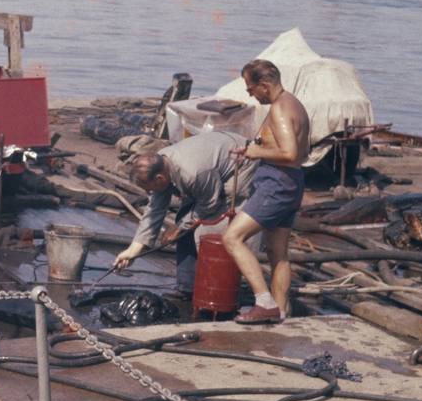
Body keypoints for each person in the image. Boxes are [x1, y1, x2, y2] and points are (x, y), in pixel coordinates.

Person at [113, 130, 254, 297]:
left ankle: (217, 292)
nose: (148, 192)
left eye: (149, 188)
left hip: (240, 162)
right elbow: (155, 208)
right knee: (185, 220)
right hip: (209, 169)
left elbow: (209, 204)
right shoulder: (159, 163)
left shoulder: (193, 173)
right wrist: (134, 249)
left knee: (206, 232)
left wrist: (179, 226)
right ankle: (187, 288)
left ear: (160, 178)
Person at [224, 58, 310, 323]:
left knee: (232, 238)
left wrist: (258, 152)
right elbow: (303, 152)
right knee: (277, 253)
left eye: (250, 89)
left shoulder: (280, 109)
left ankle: (264, 302)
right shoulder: (295, 104)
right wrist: (259, 149)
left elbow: (290, 152)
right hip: (293, 181)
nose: (250, 94)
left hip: (277, 183)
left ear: (263, 85)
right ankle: (279, 312)